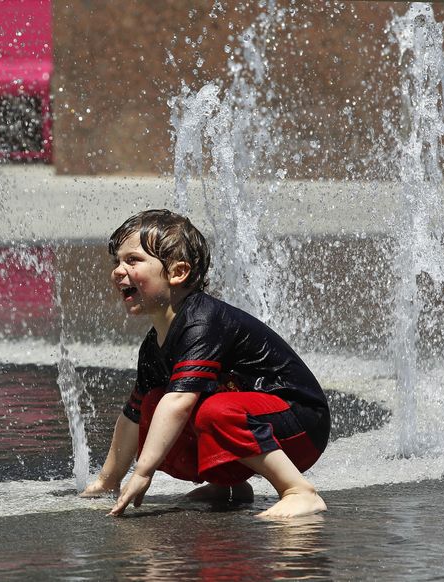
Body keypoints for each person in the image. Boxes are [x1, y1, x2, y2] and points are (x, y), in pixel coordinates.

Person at [80, 209, 330, 518]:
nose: (119, 270)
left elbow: (181, 402)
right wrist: (108, 481)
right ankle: (229, 487)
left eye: (133, 260)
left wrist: (143, 472)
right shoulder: (153, 345)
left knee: (208, 410)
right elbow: (132, 418)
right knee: (151, 406)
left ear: (177, 273)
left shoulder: (203, 320)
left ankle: (298, 490)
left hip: (300, 421)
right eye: (116, 261)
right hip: (257, 423)